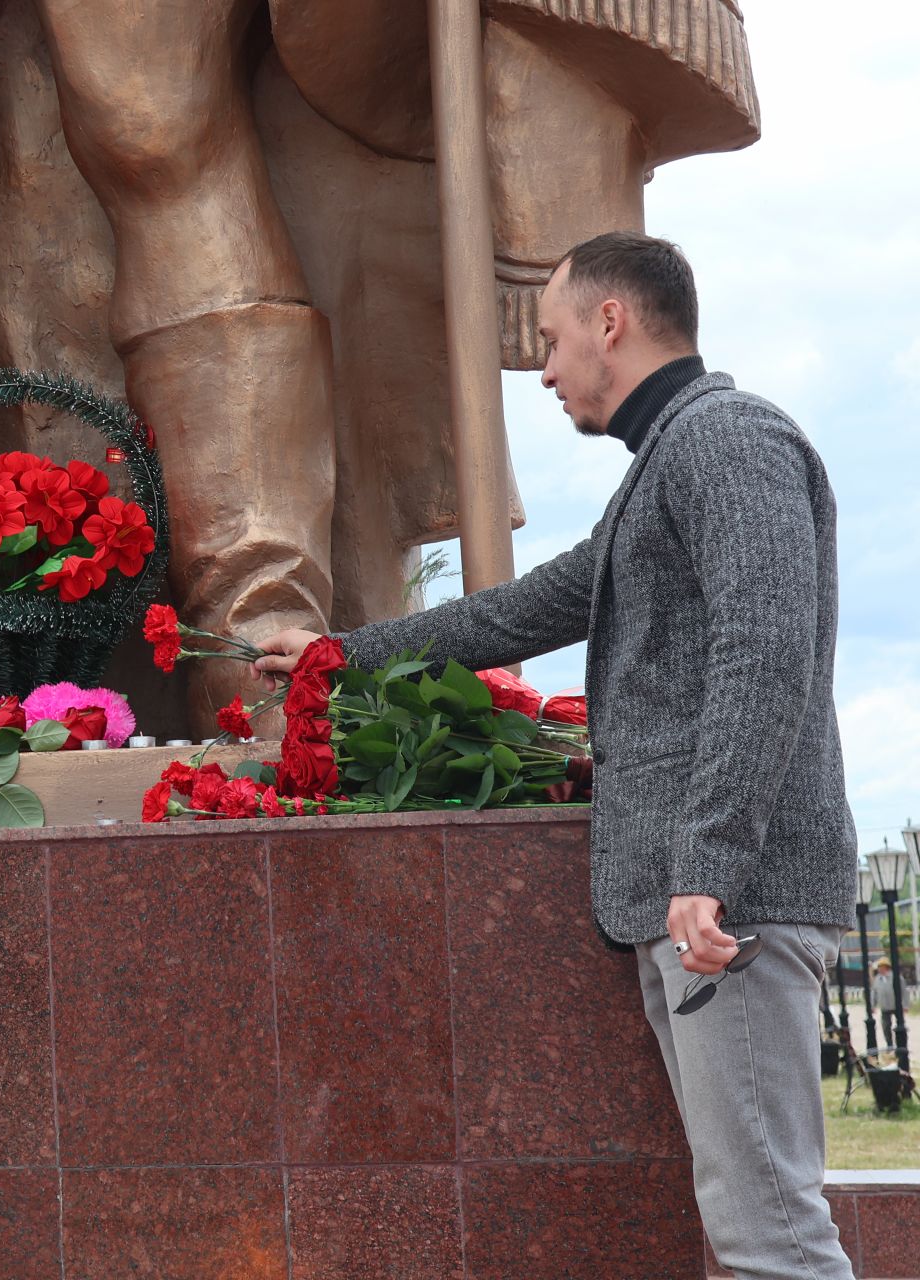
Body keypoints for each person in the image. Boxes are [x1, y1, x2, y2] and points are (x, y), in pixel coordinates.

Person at [255, 232, 857, 1280]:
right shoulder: (670, 462)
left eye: (552, 335)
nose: (543, 367)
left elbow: (765, 655)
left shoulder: (728, 440)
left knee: (775, 1239)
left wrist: (707, 864)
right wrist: (340, 657)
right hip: (705, 906)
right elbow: (531, 608)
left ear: (611, 323)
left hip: (730, 908)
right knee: (754, 1230)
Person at [872, 958, 899, 1048]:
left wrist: (905, 1005)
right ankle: (889, 1044)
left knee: (899, 1026)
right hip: (884, 1006)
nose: (880, 969)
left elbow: (903, 991)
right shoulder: (877, 979)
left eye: (881, 967)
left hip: (895, 1005)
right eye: (879, 967)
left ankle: (900, 1042)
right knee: (886, 1026)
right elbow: (874, 993)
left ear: (886, 967)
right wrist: (873, 1005)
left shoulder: (895, 977)